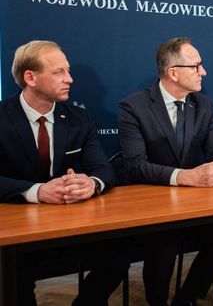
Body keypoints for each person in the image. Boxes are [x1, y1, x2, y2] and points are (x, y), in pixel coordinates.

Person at [0, 40, 127, 305]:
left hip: (69, 223)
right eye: (58, 72)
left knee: (116, 260)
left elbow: (103, 169)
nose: (69, 79)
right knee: (14, 277)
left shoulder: (79, 118)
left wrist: (91, 183)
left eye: (67, 71)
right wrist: (37, 191)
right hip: (16, 228)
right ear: (30, 77)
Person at [118, 37, 213, 306]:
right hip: (152, 204)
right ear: (173, 73)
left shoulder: (204, 105)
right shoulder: (134, 106)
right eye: (196, 66)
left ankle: (186, 298)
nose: (203, 72)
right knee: (164, 244)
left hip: (190, 205)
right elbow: (135, 165)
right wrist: (185, 176)